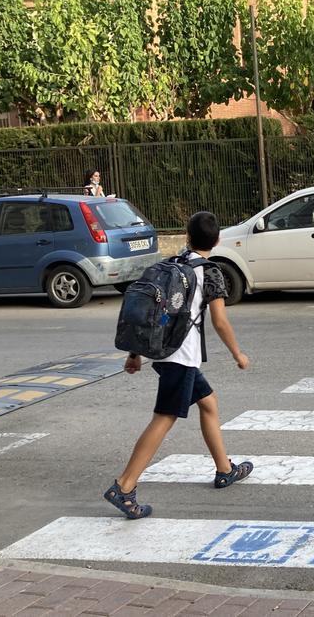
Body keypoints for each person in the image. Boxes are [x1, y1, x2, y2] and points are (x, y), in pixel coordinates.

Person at [103, 211, 253, 520]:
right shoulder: (209, 272)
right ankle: (124, 485)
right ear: (218, 240)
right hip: (181, 357)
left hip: (165, 351)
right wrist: (237, 353)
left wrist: (135, 352)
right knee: (164, 418)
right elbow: (220, 321)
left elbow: (148, 309)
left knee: (208, 403)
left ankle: (224, 469)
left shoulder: (173, 264)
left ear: (186, 236)